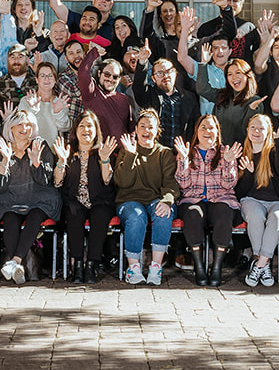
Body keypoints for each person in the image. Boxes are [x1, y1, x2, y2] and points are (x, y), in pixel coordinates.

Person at [0, 110, 60, 285]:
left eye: (28, 124)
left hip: (37, 197)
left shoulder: (39, 145)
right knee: (10, 217)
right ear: (10, 127)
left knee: (35, 215)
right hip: (9, 198)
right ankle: (17, 264)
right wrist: (5, 160)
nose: (24, 128)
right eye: (19, 124)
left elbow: (45, 181)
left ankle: (14, 263)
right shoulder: (2, 147)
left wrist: (36, 163)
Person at [172, 115, 243, 287]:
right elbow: (183, 184)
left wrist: (227, 162)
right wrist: (183, 160)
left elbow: (228, 184)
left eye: (211, 127)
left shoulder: (226, 151)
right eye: (203, 127)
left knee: (223, 214)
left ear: (217, 132)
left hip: (220, 198)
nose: (207, 131)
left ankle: (217, 267)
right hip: (193, 198)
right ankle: (199, 267)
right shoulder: (188, 152)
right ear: (196, 131)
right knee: (192, 215)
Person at [112, 109, 179, 285]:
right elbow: (123, 182)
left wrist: (167, 200)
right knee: (136, 216)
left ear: (157, 131)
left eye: (150, 127)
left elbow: (170, 183)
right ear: (136, 130)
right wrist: (131, 154)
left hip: (155, 198)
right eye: (142, 126)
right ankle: (133, 268)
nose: (146, 130)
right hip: (128, 200)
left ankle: (156, 267)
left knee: (163, 213)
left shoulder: (164, 153)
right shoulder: (127, 150)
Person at [55, 111, 116, 284]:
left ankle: (91, 265)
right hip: (74, 200)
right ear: (75, 130)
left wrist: (104, 160)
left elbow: (107, 180)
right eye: (81, 125)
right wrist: (61, 161)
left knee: (99, 217)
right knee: (74, 216)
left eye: (89, 125)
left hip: (100, 200)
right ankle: (78, 265)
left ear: (96, 130)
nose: (85, 129)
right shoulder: (68, 151)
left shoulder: (103, 151)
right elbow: (58, 182)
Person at [237, 112, 279, 288]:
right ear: (247, 130)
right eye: (253, 127)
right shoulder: (241, 152)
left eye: (261, 128)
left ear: (268, 131)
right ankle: (265, 264)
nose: (256, 131)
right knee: (255, 215)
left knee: (276, 218)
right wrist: (248, 174)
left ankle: (259, 263)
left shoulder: (275, 150)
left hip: (277, 202)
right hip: (252, 200)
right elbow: (239, 192)